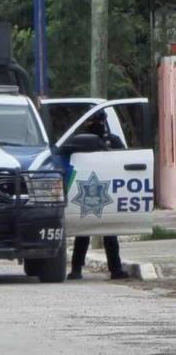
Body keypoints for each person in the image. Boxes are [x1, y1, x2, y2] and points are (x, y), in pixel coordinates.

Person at [67, 111, 129, 280]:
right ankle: (76, 269)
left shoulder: (113, 141)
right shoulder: (80, 141)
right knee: (83, 231)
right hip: (86, 189)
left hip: (108, 189)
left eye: (99, 121)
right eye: (94, 121)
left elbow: (124, 160)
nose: (97, 124)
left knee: (110, 232)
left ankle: (115, 270)